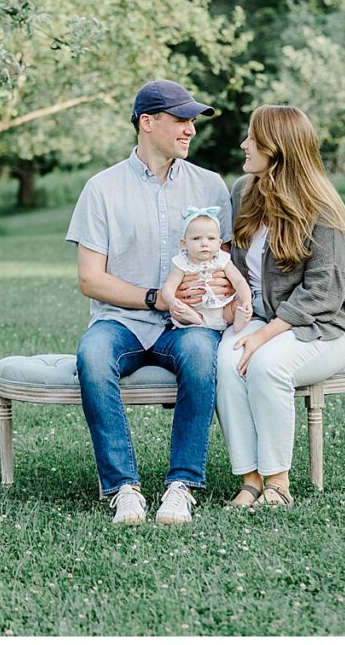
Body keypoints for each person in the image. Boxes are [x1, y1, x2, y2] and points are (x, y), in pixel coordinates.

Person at [65, 79, 234, 525]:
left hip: (188, 324)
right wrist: (155, 298)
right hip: (121, 322)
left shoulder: (210, 186)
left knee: (202, 352)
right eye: (181, 120)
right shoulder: (102, 189)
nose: (190, 130)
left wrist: (208, 293)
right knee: (93, 355)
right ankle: (124, 488)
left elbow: (224, 264)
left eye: (192, 122)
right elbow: (90, 278)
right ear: (147, 122)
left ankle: (182, 486)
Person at [215, 105, 345, 508]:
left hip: (322, 328)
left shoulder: (321, 206)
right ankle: (250, 480)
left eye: (253, 138)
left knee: (266, 365)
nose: (244, 145)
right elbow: (236, 266)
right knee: (225, 362)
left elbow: (323, 291)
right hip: (260, 316)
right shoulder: (244, 191)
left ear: (277, 148)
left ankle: (278, 483)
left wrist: (263, 335)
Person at [160, 207, 252, 333]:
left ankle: (240, 319)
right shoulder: (182, 263)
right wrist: (172, 302)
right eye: (196, 238)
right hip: (194, 309)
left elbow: (239, 281)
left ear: (219, 243)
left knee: (239, 304)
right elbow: (168, 287)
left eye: (211, 238)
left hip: (224, 310)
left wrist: (247, 301)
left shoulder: (223, 260)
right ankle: (194, 317)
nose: (204, 243)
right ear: (184, 243)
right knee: (177, 311)